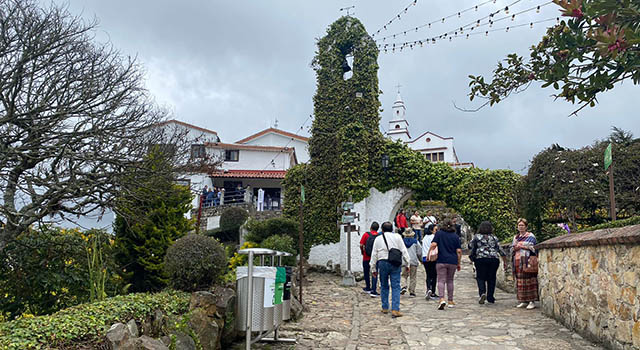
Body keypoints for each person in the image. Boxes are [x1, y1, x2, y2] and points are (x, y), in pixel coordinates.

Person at [371, 221, 410, 318]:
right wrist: (407, 263)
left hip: (382, 262)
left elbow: (374, 254)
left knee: (384, 285)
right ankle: (395, 309)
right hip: (395, 262)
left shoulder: (378, 239)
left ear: (382, 230)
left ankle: (385, 307)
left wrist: (373, 268)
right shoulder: (397, 237)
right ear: (392, 229)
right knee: (396, 286)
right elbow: (403, 250)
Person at [469, 221, 508, 304]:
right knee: (492, 278)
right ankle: (490, 297)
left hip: (480, 258)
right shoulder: (494, 237)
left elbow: (471, 246)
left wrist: (472, 257)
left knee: (480, 277)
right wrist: (505, 261)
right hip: (493, 259)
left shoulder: (477, 237)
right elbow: (500, 249)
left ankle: (482, 293)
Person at [427, 217, 462, 310]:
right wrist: (458, 263)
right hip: (452, 261)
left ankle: (442, 299)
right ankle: (450, 301)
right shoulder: (455, 236)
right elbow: (459, 251)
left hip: (441, 260)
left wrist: (428, 254)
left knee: (441, 280)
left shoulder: (439, 234)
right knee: (450, 280)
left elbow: (433, 244)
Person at [511, 218, 539, 310]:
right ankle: (523, 300)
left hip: (527, 260)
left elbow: (532, 246)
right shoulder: (516, 237)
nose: (521, 227)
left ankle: (532, 301)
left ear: (526, 226)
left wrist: (520, 246)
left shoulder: (530, 235)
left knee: (529, 279)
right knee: (520, 281)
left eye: (522, 225)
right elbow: (512, 248)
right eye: (519, 225)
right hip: (518, 261)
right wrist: (516, 247)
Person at [359, 222, 380, 297]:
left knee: (366, 272)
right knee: (374, 273)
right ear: (378, 228)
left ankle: (368, 287)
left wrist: (362, 252)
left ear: (370, 227)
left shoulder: (366, 234)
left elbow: (361, 244)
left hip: (366, 256)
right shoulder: (379, 236)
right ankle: (373, 290)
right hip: (375, 258)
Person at [401, 228, 422, 297]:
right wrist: (421, 260)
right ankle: (412, 292)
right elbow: (419, 253)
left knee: (403, 275)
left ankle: (403, 286)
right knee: (413, 277)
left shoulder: (401, 242)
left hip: (404, 261)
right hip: (413, 261)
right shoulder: (416, 242)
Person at [421, 223, 438, 300]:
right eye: (436, 230)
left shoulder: (424, 237)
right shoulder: (433, 237)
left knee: (428, 274)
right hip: (432, 257)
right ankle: (433, 292)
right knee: (434, 275)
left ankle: (428, 289)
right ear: (431, 230)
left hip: (425, 257)